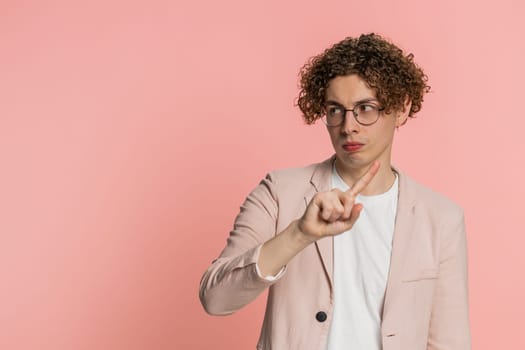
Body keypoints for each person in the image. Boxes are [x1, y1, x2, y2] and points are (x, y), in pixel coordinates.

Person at [199, 33, 471, 350]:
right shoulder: (278, 192)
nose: (348, 126)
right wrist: (299, 234)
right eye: (335, 110)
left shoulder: (441, 218)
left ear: (401, 108)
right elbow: (215, 299)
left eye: (365, 108)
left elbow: (449, 341)